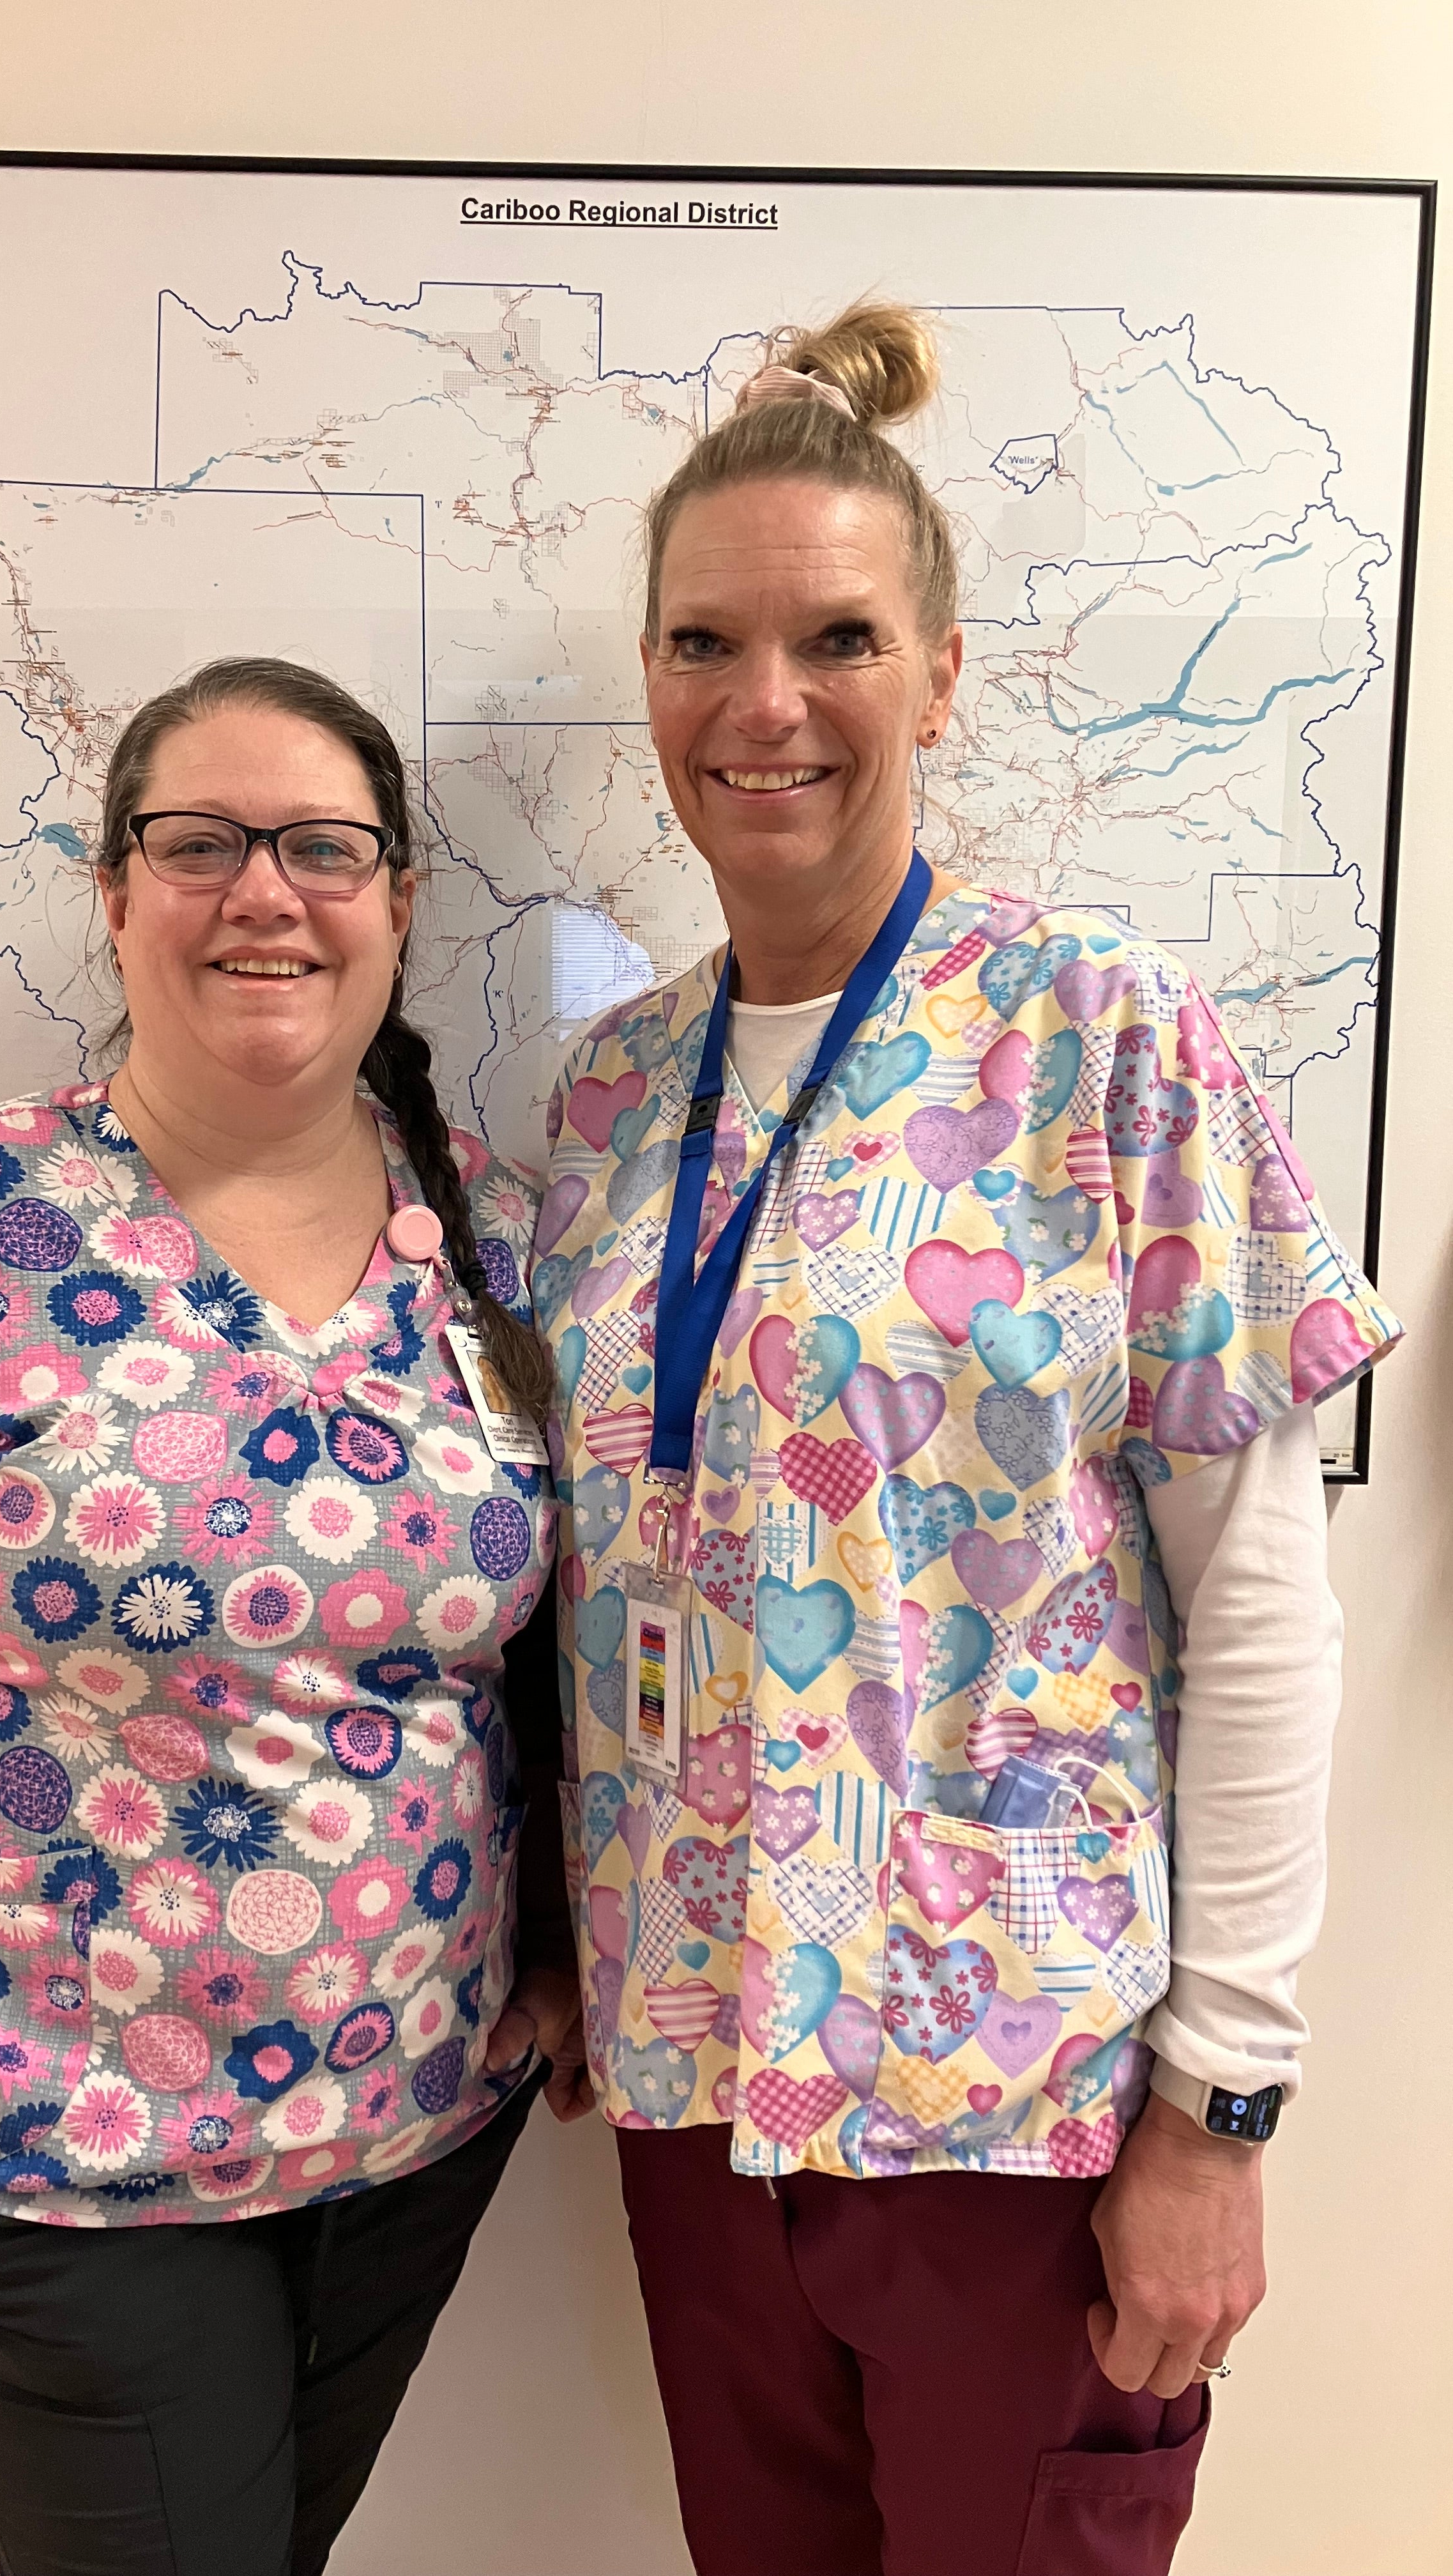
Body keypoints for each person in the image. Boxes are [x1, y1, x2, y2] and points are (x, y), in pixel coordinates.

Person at [540, 307, 1402, 2575]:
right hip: (697, 2080)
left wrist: (1220, 2107)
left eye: (837, 636)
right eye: (704, 640)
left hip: (1023, 2104)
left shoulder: (1108, 1039)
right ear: (646, 680)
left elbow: (1261, 1599)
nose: (767, 703)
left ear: (939, 674)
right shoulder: (611, 1099)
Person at [0, 657, 590, 2576]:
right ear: (114, 894)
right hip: (57, 2163)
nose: (263, 891)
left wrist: (548, 1968)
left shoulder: (495, 1243)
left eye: (321, 848)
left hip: (414, 2140)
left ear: (397, 903)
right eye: (199, 845)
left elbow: (535, 1662)